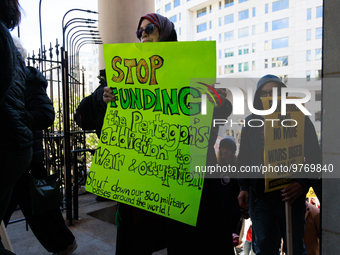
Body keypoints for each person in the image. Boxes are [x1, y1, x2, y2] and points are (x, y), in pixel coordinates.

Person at [103, 13, 234, 254]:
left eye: (149, 29)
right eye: (139, 31)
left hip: (186, 182)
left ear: (165, 32)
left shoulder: (191, 69)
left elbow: (222, 111)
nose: (143, 34)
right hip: (147, 176)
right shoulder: (129, 76)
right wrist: (108, 99)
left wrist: (214, 100)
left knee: (187, 243)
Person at [2, 36, 77, 255]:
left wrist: (14, 117)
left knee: (43, 211)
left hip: (27, 159)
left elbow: (45, 115)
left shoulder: (28, 79)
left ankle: (65, 244)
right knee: (39, 212)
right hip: (14, 154)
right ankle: (64, 244)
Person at [237, 74, 322, 255]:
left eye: (274, 92)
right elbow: (244, 158)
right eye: (265, 93)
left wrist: (302, 183)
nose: (270, 97)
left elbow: (315, 157)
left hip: (291, 197)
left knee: (295, 248)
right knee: (264, 248)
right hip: (260, 198)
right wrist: (243, 186)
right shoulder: (250, 123)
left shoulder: (301, 119)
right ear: (258, 97)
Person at [0, 1, 33, 254]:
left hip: (10, 144)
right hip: (15, 143)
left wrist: (24, 120)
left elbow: (44, 113)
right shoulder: (7, 42)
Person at [216, 136, 242, 234]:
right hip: (220, 209)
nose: (224, 150)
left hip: (234, 209)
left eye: (227, 148)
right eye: (222, 148)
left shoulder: (238, 167)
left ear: (232, 150)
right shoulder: (216, 166)